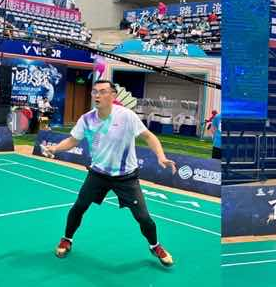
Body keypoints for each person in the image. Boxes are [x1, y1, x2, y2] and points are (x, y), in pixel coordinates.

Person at [43, 79, 177, 266]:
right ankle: (67, 239)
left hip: (126, 177)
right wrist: (55, 148)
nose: (97, 95)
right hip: (98, 174)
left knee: (143, 217)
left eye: (103, 91)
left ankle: (155, 246)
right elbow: (73, 140)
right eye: (94, 92)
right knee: (79, 207)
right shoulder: (87, 119)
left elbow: (148, 136)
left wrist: (161, 156)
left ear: (113, 95)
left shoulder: (126, 116)